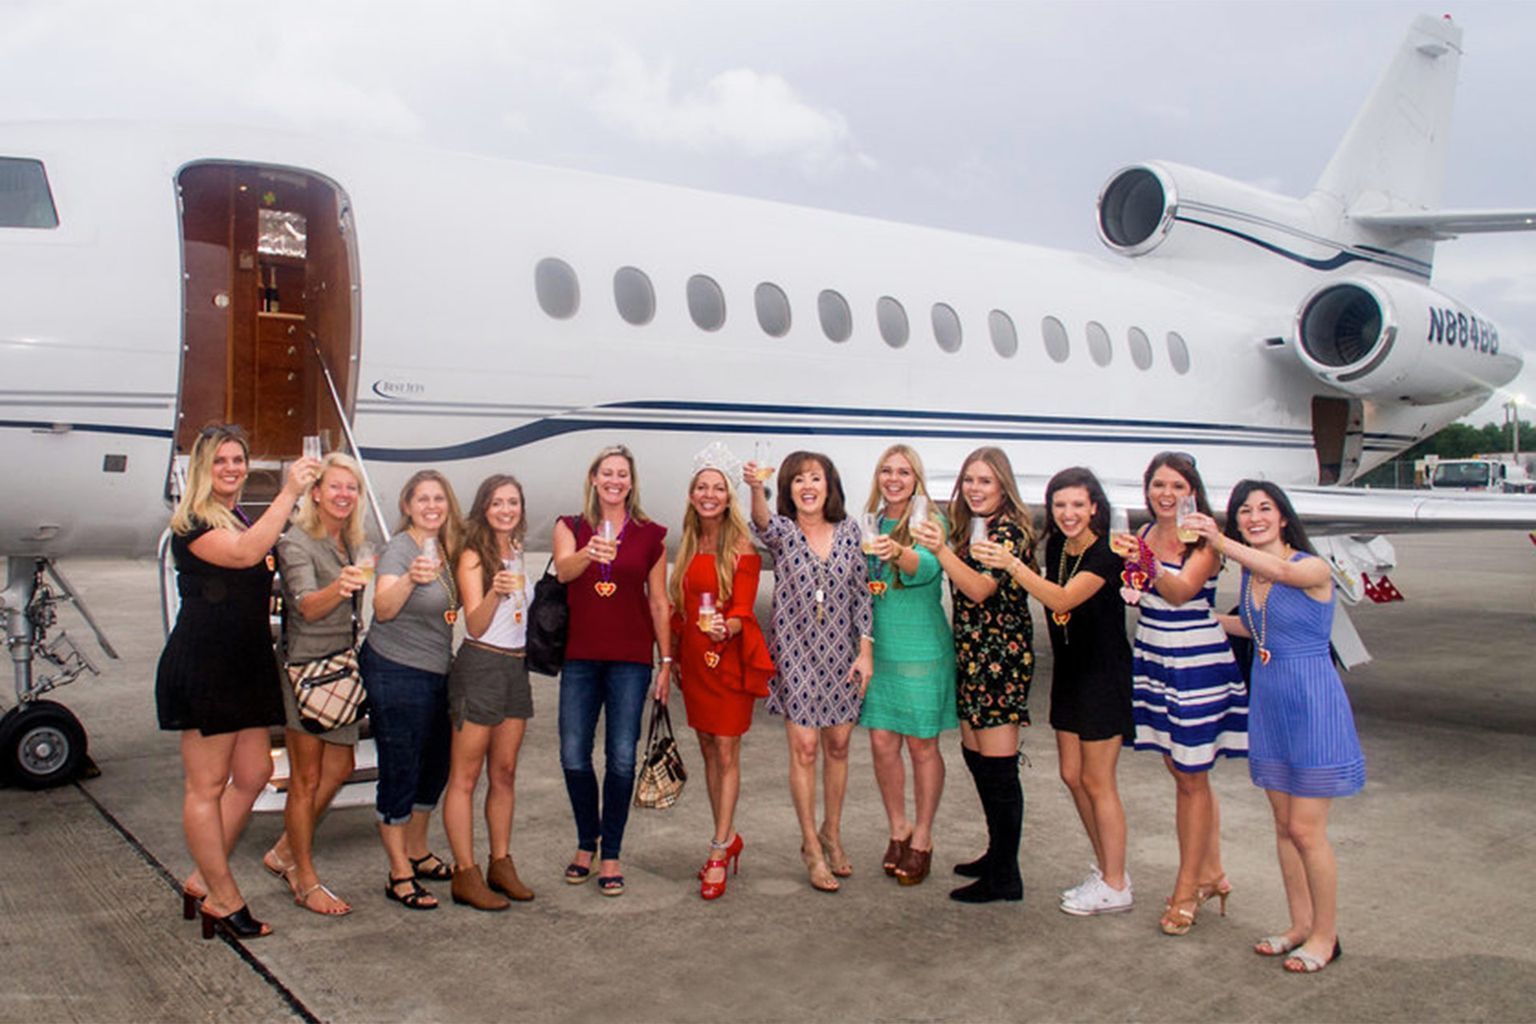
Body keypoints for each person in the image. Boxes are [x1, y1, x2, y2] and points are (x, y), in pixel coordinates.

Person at [1192, 481, 1365, 974]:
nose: (1254, 517)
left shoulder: (1310, 566)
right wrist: (1192, 613)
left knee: (1308, 831)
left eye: (1264, 508)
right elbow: (1257, 626)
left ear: (1284, 517)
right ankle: (1300, 925)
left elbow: (1286, 574)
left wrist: (1219, 541)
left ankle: (1326, 936)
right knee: (1285, 828)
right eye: (1244, 511)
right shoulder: (1251, 574)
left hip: (1312, 703)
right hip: (1269, 702)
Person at [156, 424, 319, 939]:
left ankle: (202, 877)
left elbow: (255, 563)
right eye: (221, 461)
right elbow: (247, 554)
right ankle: (222, 898)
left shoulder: (237, 513)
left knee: (251, 776)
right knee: (204, 786)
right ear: (203, 468)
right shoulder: (193, 523)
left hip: (246, 661)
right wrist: (291, 491)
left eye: (238, 460)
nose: (231, 468)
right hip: (207, 663)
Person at [974, 466, 1135, 916]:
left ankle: (1117, 883)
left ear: (1095, 508)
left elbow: (1061, 600)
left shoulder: (1106, 553)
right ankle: (1106, 868)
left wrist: (1012, 564)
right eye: (1060, 505)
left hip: (1103, 677)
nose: (1068, 514)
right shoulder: (1062, 545)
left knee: (1099, 782)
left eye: (1077, 506)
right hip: (1070, 673)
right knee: (1072, 774)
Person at [1115, 452, 1248, 935]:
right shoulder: (1145, 533)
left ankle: (1188, 886)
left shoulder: (1204, 534)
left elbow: (1180, 591)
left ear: (1191, 490)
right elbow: (1139, 590)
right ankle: (1212, 872)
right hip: (1153, 649)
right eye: (1157, 485)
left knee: (1192, 776)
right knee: (1182, 770)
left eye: (1175, 485)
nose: (1165, 494)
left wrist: (1139, 560)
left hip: (1194, 655)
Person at [910, 446, 1033, 904]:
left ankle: (1006, 876)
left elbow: (981, 589)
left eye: (985, 481)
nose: (976, 489)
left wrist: (939, 549)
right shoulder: (972, 528)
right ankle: (997, 854)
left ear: (1003, 485)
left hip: (1001, 659)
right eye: (969, 480)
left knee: (1000, 771)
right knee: (978, 758)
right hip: (973, 656)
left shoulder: (1010, 531)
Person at [746, 449, 873, 893]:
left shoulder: (850, 531)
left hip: (842, 655)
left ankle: (831, 833)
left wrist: (866, 650)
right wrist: (753, 488)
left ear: (828, 485)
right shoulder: (782, 532)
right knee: (804, 748)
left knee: (838, 746)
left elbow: (862, 595)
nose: (807, 486)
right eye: (797, 480)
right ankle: (809, 847)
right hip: (796, 654)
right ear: (789, 490)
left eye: (814, 478)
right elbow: (761, 521)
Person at [551, 445, 671, 897]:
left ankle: (612, 851)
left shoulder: (651, 534)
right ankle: (587, 840)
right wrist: (588, 553)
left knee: (621, 758)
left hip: (630, 659)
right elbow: (564, 572)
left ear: (631, 482)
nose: (615, 480)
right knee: (573, 754)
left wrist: (667, 661)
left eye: (622, 474)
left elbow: (659, 601)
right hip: (580, 656)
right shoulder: (572, 526)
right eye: (607, 473)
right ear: (594, 479)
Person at [664, 443, 773, 900]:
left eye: (718, 489)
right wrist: (671, 655)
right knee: (708, 748)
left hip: (727, 661)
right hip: (695, 662)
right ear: (692, 496)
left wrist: (725, 627)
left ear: (728, 498)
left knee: (727, 750)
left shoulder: (742, 547)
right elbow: (678, 606)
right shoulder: (687, 544)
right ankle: (727, 838)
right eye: (702, 488)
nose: (709, 495)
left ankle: (716, 849)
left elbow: (744, 611)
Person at [267, 452, 370, 918]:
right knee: (305, 779)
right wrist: (343, 587)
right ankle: (303, 877)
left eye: (351, 488)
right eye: (335, 487)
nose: (343, 495)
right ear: (315, 493)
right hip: (305, 670)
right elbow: (307, 606)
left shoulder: (349, 542)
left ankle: (286, 848)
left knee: (341, 765)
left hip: (342, 667)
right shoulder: (296, 542)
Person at [362, 469, 465, 911]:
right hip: (395, 669)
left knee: (435, 766)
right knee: (400, 767)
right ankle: (399, 872)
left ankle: (418, 851)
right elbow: (382, 609)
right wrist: (410, 579)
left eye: (438, 499)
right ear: (406, 505)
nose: (431, 506)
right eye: (421, 499)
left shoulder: (447, 546)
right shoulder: (400, 550)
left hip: (437, 671)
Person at [857, 444, 956, 887]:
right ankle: (898, 828)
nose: (893, 479)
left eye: (903, 472)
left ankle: (924, 837)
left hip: (920, 649)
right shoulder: (870, 522)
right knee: (881, 743)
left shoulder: (928, 521)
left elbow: (927, 567)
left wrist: (895, 552)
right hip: (881, 648)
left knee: (921, 747)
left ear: (916, 479)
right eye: (886, 471)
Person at [442, 474, 539, 911]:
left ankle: (501, 862)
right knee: (465, 777)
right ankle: (466, 873)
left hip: (515, 668)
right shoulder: (472, 556)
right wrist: (496, 593)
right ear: (484, 507)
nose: (506, 509)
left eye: (513, 502)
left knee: (504, 773)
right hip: (481, 663)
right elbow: (475, 624)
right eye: (498, 502)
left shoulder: (515, 551)